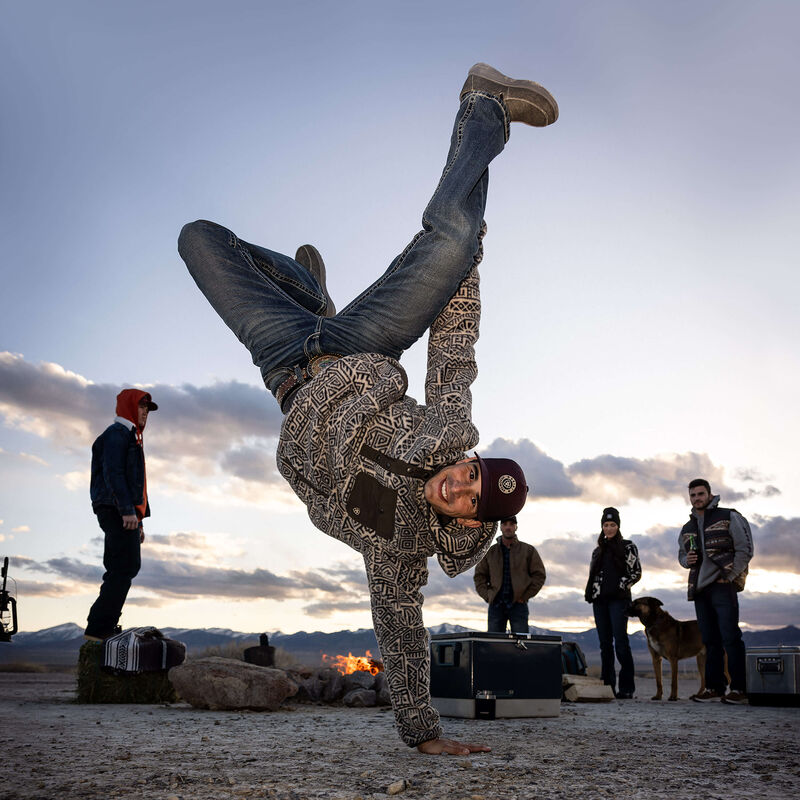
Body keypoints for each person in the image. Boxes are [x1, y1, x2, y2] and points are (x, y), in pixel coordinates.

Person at [177, 63, 558, 753]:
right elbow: (454, 344)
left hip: (286, 365)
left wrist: (423, 734)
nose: (460, 483)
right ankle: (487, 108)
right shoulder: (448, 429)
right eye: (474, 472)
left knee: (197, 239)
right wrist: (462, 256)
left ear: (472, 523)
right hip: (363, 342)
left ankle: (305, 295)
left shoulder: (402, 548)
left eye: (472, 498)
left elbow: (402, 638)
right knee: (449, 241)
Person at [85, 388, 157, 640]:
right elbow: (113, 473)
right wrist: (127, 511)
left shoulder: (131, 436)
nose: (145, 413)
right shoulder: (117, 433)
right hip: (115, 508)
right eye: (141, 406)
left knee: (123, 566)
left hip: (123, 511)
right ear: (128, 406)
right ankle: (99, 629)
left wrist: (139, 521)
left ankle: (102, 626)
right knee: (123, 567)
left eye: (147, 409)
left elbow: (137, 482)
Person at [678, 478, 753, 704]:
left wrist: (729, 576)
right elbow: (681, 556)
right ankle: (715, 687)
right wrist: (686, 560)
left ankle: (739, 688)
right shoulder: (687, 527)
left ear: (710, 495)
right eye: (693, 495)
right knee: (710, 641)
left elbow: (745, 549)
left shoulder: (729, 516)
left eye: (701, 494)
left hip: (722, 585)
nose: (697, 498)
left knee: (730, 637)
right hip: (700, 588)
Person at [584, 507, 641, 699]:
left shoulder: (628, 546)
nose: (609, 528)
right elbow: (593, 575)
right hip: (599, 601)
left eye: (612, 525)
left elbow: (636, 572)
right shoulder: (597, 551)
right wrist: (590, 592)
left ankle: (626, 688)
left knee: (621, 643)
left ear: (618, 526)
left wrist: (621, 586)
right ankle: (607, 685)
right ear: (602, 527)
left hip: (619, 601)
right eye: (606, 525)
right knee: (604, 644)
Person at [473, 515, 546, 632]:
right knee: (494, 644)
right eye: (505, 524)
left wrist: (525, 596)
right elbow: (479, 575)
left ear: (516, 527)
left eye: (511, 524)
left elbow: (539, 575)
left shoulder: (528, 550)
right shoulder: (491, 551)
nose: (508, 527)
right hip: (496, 605)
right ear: (500, 527)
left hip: (518, 604)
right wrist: (488, 596)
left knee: (521, 644)